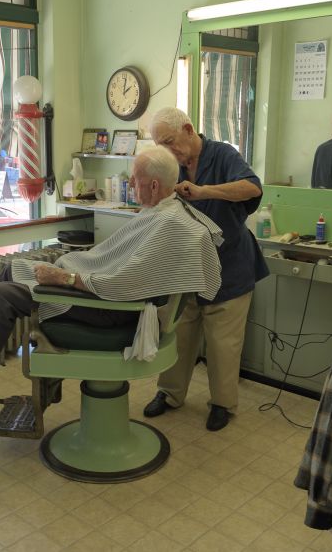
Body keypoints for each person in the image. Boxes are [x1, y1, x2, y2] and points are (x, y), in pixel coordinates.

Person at [0, 147, 223, 396]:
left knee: (2, 294)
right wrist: (70, 267)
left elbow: (123, 282)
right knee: (14, 267)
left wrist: (64, 278)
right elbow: (118, 262)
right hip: (106, 294)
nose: (131, 184)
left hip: (111, 307)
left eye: (135, 179)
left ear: (155, 186)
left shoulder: (169, 223)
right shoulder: (163, 211)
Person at [143, 106, 268, 432]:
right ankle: (169, 394)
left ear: (187, 128)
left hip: (230, 267)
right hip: (188, 268)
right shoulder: (172, 166)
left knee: (222, 344)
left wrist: (204, 192)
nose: (168, 151)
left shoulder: (223, 155)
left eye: (170, 141)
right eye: (161, 145)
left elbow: (253, 188)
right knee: (178, 336)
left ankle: (223, 404)